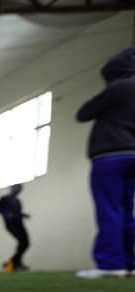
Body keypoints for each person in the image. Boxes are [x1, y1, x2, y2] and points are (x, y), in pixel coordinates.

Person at [75, 47, 135, 278]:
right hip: (133, 154)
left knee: (109, 210)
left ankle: (111, 265)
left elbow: (83, 113)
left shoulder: (119, 87)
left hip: (110, 156)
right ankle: (130, 264)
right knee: (127, 211)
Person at [0, 184, 31, 272]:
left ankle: (15, 263)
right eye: (17, 188)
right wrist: (6, 213)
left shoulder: (18, 201)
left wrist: (24, 215)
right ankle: (13, 263)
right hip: (11, 224)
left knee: (25, 243)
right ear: (12, 188)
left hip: (19, 224)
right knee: (23, 242)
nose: (19, 190)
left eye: (20, 189)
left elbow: (17, 213)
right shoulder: (5, 198)